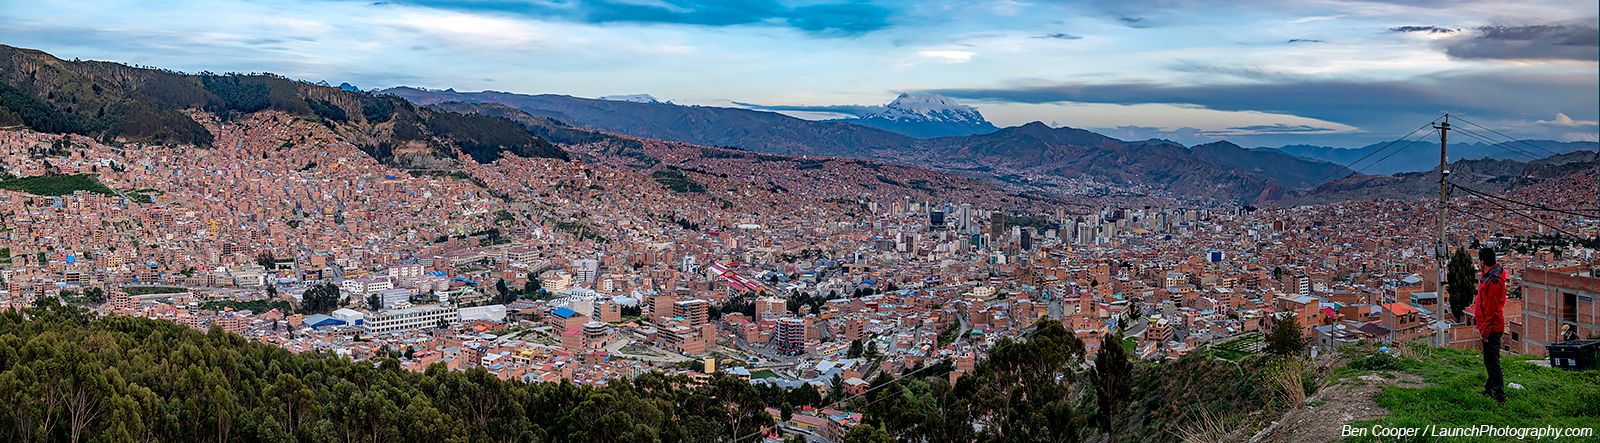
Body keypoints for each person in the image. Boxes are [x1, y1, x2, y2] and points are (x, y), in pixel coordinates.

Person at [1472, 247, 1507, 404]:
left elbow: (1492, 310)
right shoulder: (1490, 277)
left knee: (1492, 361)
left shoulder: (1493, 281)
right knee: (1490, 361)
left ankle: (1499, 394)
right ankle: (1490, 389)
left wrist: (1485, 332)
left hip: (1492, 327)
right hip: (1489, 326)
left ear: (1482, 261)